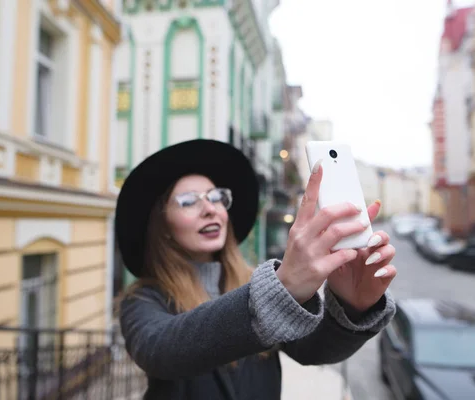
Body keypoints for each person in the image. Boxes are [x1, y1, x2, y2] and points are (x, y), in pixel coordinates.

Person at [116, 139, 397, 400]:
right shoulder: (142, 299)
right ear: (162, 226)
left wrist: (351, 307)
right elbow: (161, 351)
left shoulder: (250, 281)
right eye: (189, 201)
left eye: (216, 197)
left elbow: (311, 349)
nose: (209, 209)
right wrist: (281, 291)